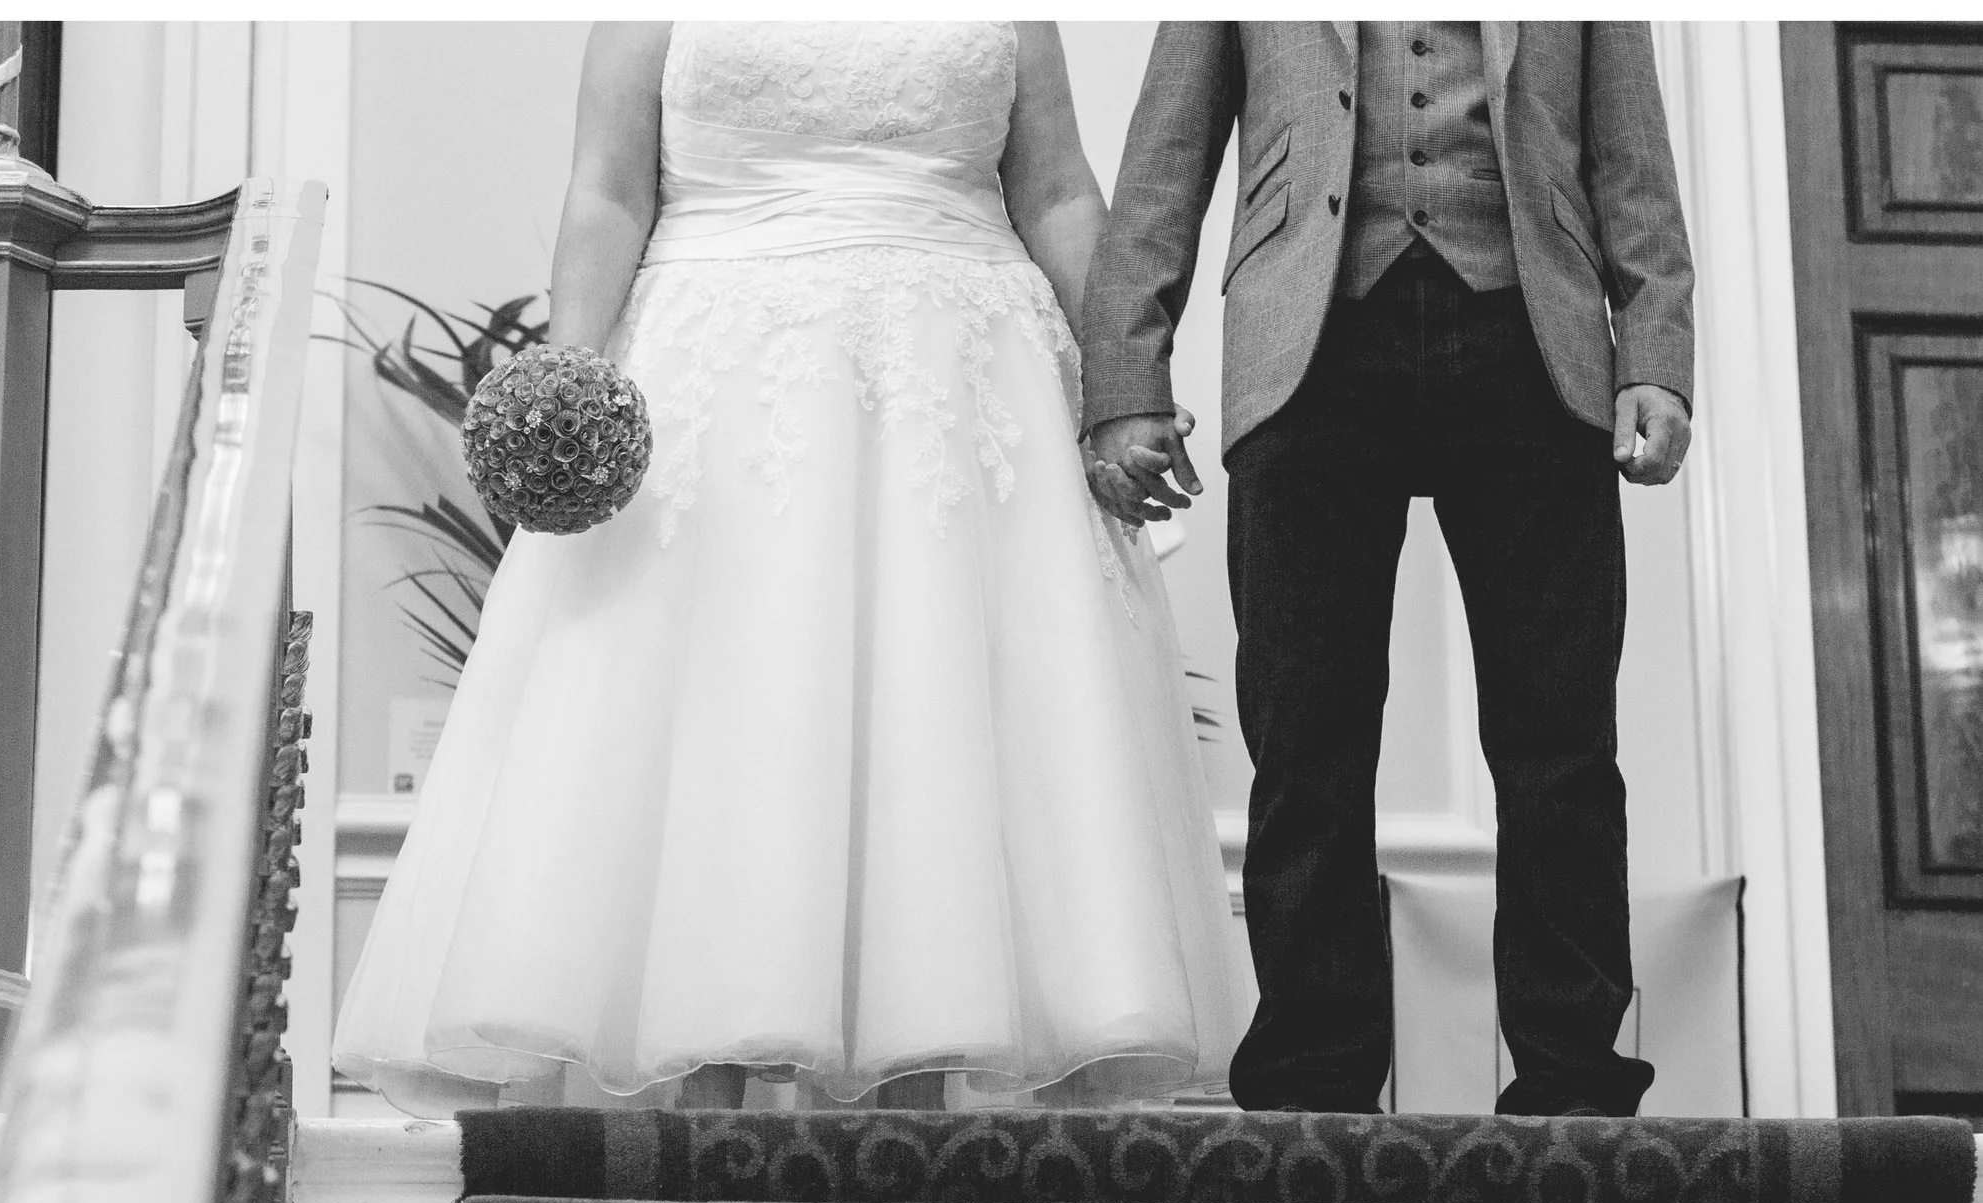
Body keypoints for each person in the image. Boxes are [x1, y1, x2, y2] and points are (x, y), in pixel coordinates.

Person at [332, 21, 1245, 1118]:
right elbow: (609, 191)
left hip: (959, 380)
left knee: (938, 710)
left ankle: (919, 1113)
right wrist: (571, 377)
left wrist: (1121, 379)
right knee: (723, 716)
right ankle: (702, 1108)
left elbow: (1056, 192)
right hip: (720, 379)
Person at [1082, 23, 1694, 1118]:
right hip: (1305, 344)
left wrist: (1654, 357)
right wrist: (1127, 369)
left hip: (1533, 339)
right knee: (1303, 733)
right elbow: (1166, 153)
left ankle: (1572, 1080)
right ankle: (1312, 1079)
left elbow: (1631, 155)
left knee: (1559, 741)